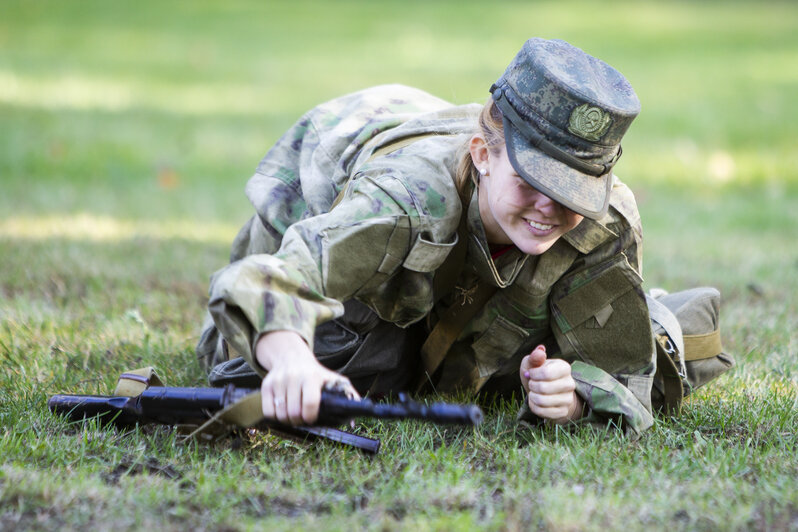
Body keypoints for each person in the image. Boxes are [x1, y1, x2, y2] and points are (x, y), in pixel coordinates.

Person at [196, 38, 660, 436]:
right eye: (531, 182)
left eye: (572, 192)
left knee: (668, 342)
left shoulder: (602, 220)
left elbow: (627, 378)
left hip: (450, 278)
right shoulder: (406, 199)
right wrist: (292, 361)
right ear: (483, 155)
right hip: (321, 201)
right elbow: (256, 281)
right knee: (346, 359)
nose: (549, 208)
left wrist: (572, 397)